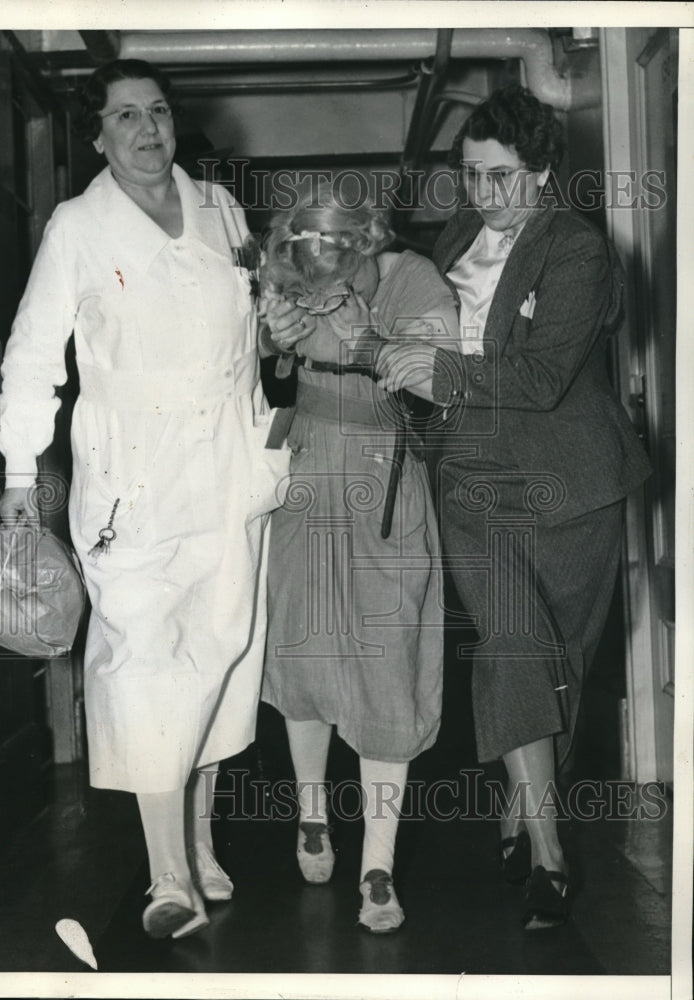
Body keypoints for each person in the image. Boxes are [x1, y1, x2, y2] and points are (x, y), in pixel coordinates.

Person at [278, 85, 652, 930]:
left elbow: (541, 378)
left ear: (544, 174)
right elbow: (391, 310)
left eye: (503, 178)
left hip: (572, 483)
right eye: (474, 178)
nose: (486, 195)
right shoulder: (454, 239)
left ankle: (524, 813)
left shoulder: (578, 251)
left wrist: (434, 370)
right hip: (473, 480)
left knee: (565, 662)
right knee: (514, 644)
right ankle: (551, 857)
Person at [0, 58, 289, 940]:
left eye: (157, 111)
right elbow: (33, 354)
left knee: (221, 649)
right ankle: (168, 875)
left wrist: (294, 328)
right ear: (98, 135)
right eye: (125, 115)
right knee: (146, 659)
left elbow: (260, 334)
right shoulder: (77, 228)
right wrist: (17, 475)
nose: (147, 128)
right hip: (131, 476)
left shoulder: (223, 212)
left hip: (229, 466)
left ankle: (197, 841)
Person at [259, 181, 458, 933]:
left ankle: (378, 863)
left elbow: (438, 389)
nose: (320, 287)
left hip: (385, 487)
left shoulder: (417, 282)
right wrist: (269, 341)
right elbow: (260, 386)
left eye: (336, 275)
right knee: (301, 654)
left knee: (387, 669)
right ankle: (312, 814)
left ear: (369, 243)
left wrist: (367, 342)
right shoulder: (287, 274)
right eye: (306, 273)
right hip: (306, 477)